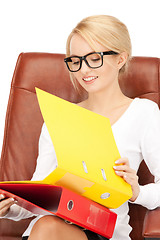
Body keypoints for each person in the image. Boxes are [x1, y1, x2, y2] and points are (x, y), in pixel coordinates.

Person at [0, 15, 160, 240]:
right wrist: (10, 207)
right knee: (46, 224)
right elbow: (40, 191)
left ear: (120, 59)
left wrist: (137, 191)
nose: (83, 69)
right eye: (75, 60)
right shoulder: (59, 118)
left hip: (101, 231)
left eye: (94, 58)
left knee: (47, 227)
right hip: (47, 228)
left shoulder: (144, 113)